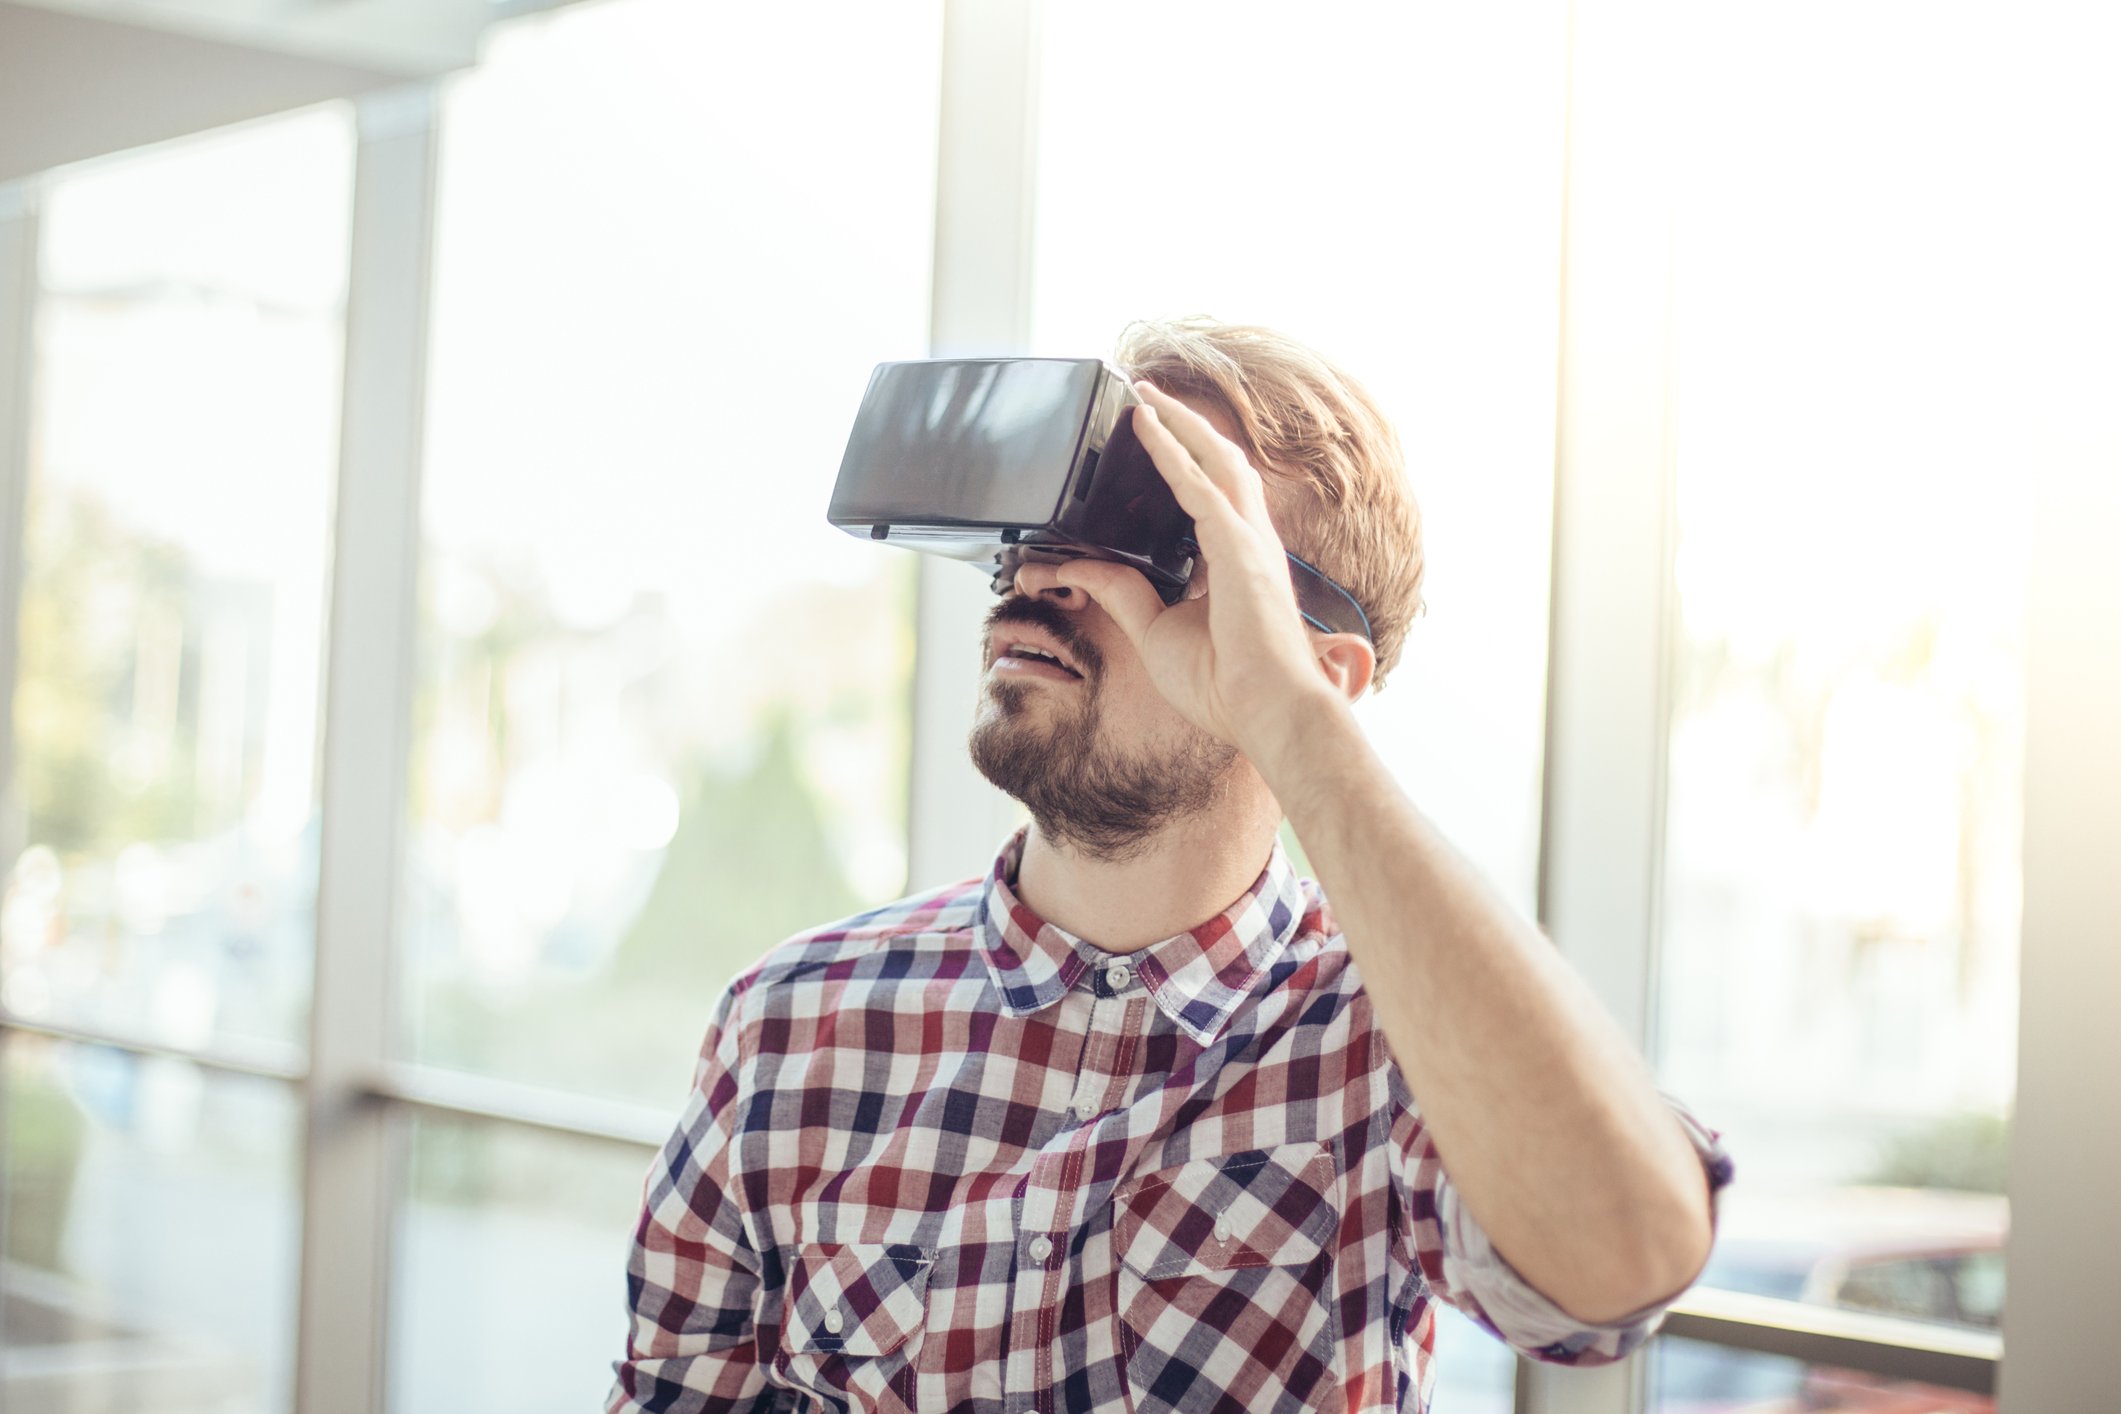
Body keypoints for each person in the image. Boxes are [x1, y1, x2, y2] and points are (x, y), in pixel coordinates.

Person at [607, 319, 1731, 1414]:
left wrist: (1292, 722)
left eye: (1161, 526)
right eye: (1046, 522)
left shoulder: (1386, 1057)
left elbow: (1623, 1262)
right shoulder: (793, 1024)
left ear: (1319, 668)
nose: (1046, 570)